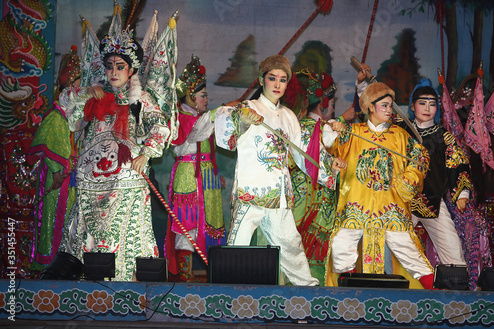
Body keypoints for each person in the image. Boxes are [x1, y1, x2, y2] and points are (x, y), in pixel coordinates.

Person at [214, 55, 345, 286]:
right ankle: (228, 298)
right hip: (251, 193)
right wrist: (243, 120)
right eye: (272, 78)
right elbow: (225, 124)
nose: (277, 84)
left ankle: (308, 295)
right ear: (261, 80)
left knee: (291, 247)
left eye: (283, 80)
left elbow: (303, 152)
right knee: (238, 246)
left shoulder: (289, 117)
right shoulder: (248, 108)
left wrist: (327, 164)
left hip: (280, 195)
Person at [58, 29, 171, 281]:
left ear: (131, 71)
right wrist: (86, 93)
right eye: (109, 66)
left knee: (119, 232)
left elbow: (161, 127)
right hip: (90, 180)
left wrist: (146, 154)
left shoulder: (139, 98)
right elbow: (68, 111)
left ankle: (122, 284)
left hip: (125, 181)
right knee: (84, 230)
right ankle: (83, 284)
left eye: (120, 66)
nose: (114, 72)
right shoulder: (95, 93)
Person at [325, 81, 435, 289]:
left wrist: (409, 179)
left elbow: (420, 158)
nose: (389, 110)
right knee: (342, 244)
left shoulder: (401, 136)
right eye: (384, 105)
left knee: (409, 250)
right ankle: (342, 296)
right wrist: (334, 129)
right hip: (356, 204)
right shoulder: (352, 133)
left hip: (390, 205)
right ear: (370, 107)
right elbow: (328, 148)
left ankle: (437, 294)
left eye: (391, 105)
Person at [283, 68, 348, 285]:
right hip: (311, 197)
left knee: (300, 244)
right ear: (323, 104)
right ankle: (311, 293)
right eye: (331, 103)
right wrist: (332, 166)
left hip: (305, 195)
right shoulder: (315, 128)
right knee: (309, 245)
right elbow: (320, 153)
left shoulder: (306, 125)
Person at [164, 55, 225, 281]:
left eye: (206, 94)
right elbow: (198, 132)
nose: (206, 99)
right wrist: (221, 110)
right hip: (188, 176)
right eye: (203, 95)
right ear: (190, 96)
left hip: (207, 178)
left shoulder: (201, 118)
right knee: (186, 225)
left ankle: (215, 274)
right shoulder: (181, 118)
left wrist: (216, 178)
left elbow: (209, 145)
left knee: (212, 224)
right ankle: (185, 276)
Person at [404, 79, 471, 267]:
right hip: (401, 201)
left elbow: (458, 164)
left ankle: (457, 287)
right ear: (412, 105)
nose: (427, 108)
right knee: (392, 244)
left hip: (431, 201)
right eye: (422, 103)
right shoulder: (399, 130)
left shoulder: (444, 137)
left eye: (432, 104)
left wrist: (462, 193)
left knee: (453, 251)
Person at [28, 45, 81, 273]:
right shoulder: (55, 116)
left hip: (70, 181)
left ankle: (65, 266)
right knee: (51, 220)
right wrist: (58, 171)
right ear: (67, 86)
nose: (79, 89)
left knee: (69, 222)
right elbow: (46, 145)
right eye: (76, 84)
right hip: (55, 178)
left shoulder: (75, 119)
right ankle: (47, 265)